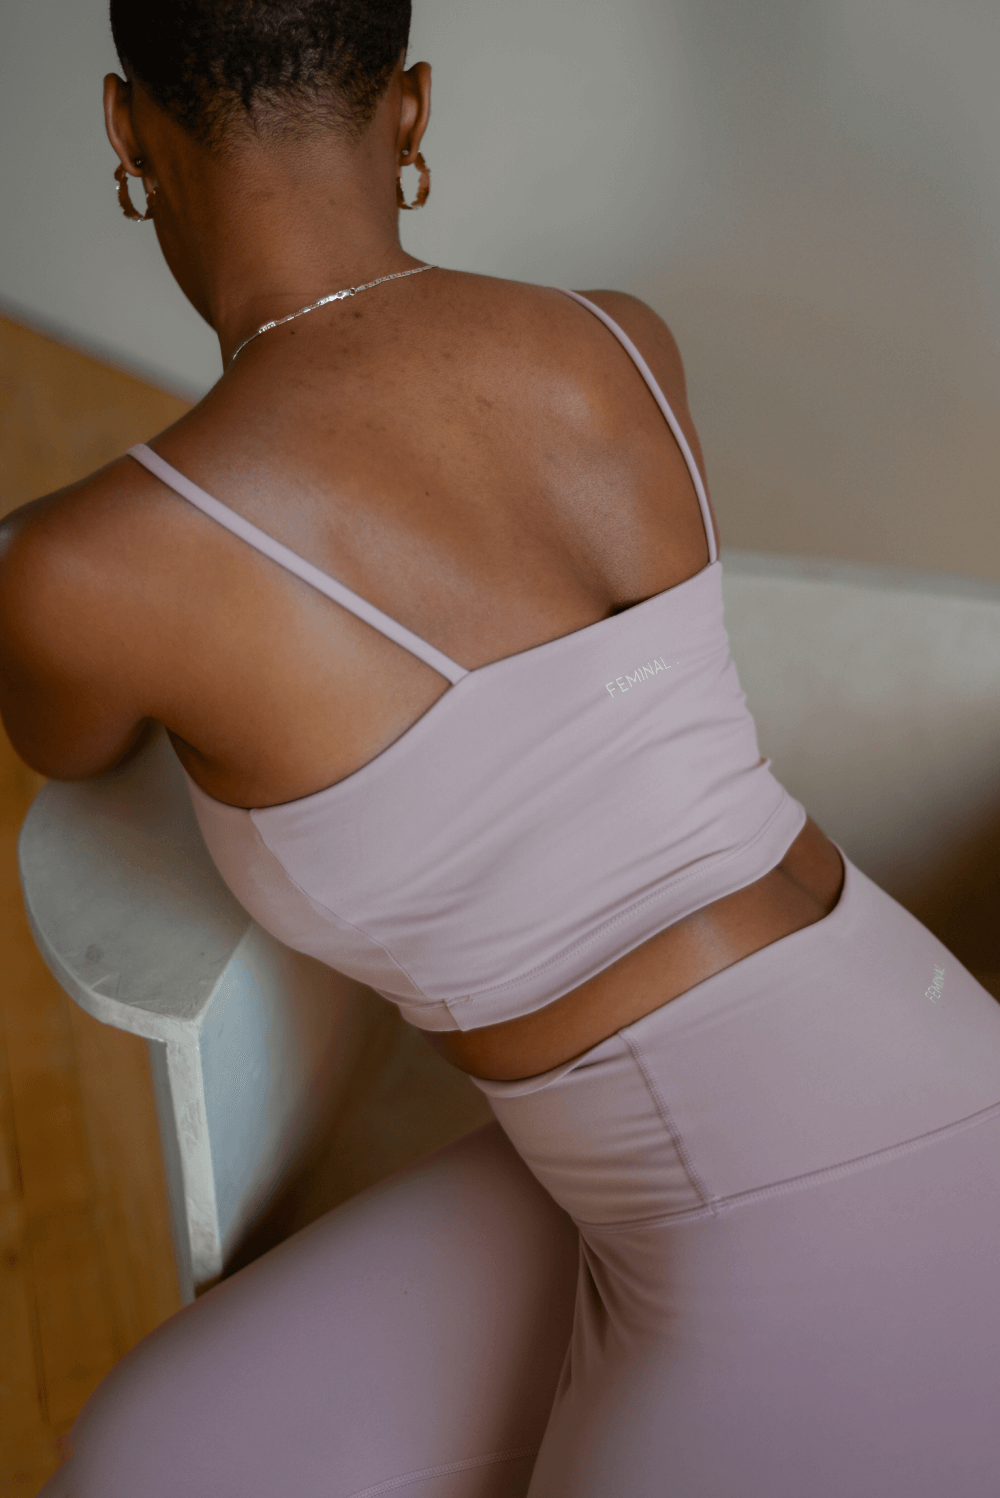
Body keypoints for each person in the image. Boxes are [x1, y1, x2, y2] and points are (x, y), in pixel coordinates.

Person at [3, 3, 999, 1494]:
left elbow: (71, 745)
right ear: (410, 109)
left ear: (125, 130)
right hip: (809, 1061)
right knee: (151, 1457)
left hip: (809, 1201)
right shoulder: (619, 345)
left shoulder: (86, 571)